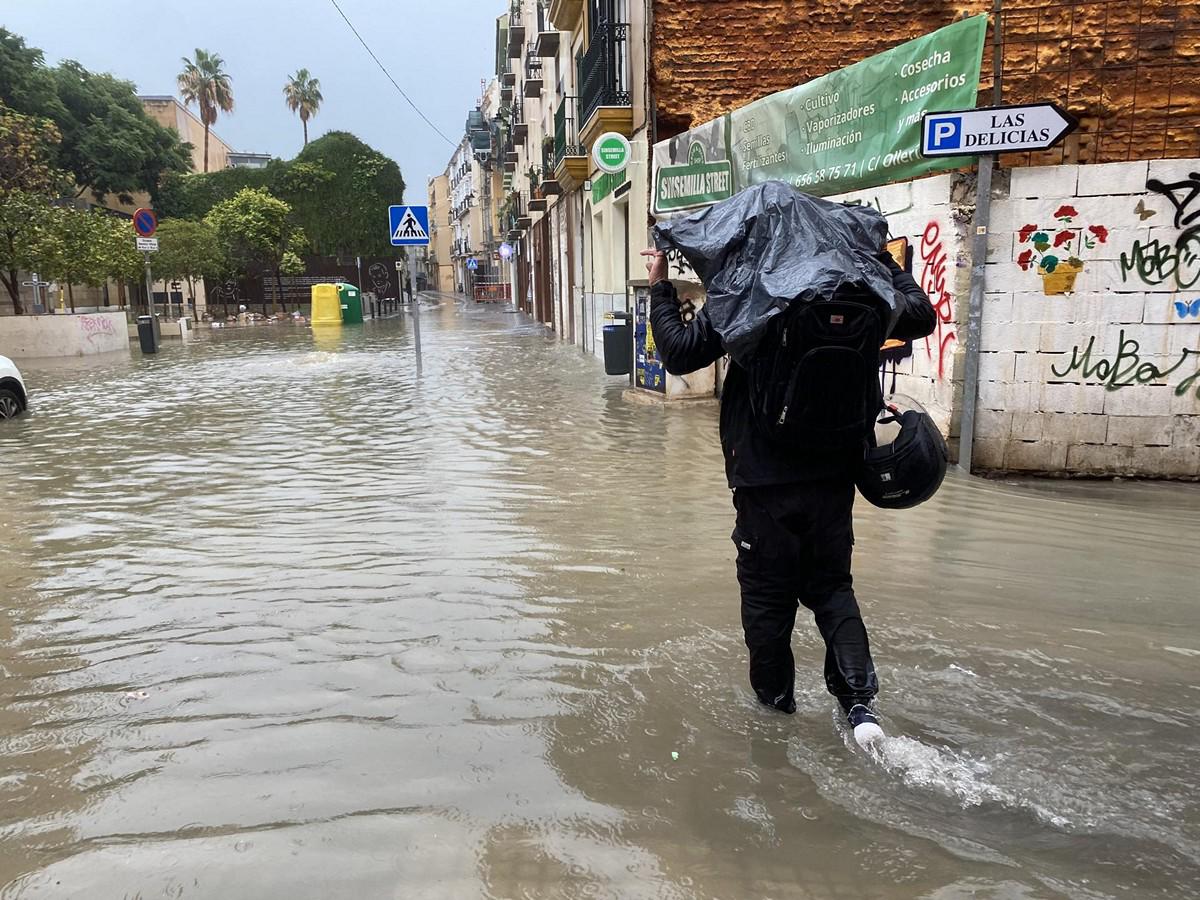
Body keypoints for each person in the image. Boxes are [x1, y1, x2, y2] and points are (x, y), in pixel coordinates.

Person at [642, 246, 936, 740]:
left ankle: (776, 720)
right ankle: (860, 707)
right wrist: (885, 265)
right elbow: (923, 317)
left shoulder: (747, 286)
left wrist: (659, 287)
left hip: (763, 483)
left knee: (767, 603)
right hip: (834, 476)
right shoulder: (860, 286)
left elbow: (677, 354)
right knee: (832, 589)